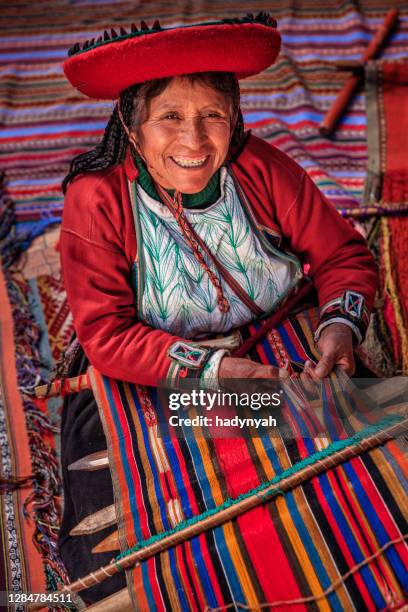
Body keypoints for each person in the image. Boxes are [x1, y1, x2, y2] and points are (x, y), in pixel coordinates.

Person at [58, 13, 377, 606]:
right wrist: (218, 373)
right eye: (170, 118)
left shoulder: (262, 170)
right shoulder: (97, 198)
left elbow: (344, 257)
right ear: (132, 126)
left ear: (235, 121)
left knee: (350, 452)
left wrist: (338, 327)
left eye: (213, 116)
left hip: (282, 343)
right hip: (163, 373)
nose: (194, 140)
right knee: (141, 486)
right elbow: (104, 333)